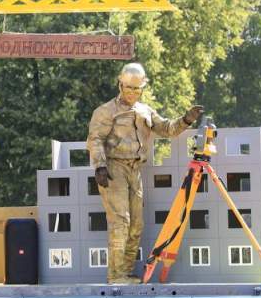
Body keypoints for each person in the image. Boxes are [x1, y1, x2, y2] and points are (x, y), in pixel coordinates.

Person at [87, 62, 203, 283]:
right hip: (114, 168)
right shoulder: (105, 111)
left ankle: (126, 272)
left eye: (137, 89)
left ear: (142, 89)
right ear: (120, 85)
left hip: (135, 170)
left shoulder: (145, 111)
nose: (132, 93)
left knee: (136, 224)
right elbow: (95, 139)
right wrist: (100, 166)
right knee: (121, 222)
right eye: (128, 88)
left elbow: (167, 129)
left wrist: (186, 119)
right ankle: (116, 276)